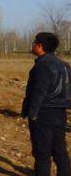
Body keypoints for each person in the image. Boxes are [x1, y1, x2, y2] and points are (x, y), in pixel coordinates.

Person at [22, 32, 71, 176]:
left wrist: (32, 114)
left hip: (43, 114)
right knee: (60, 151)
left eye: (34, 42)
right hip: (60, 113)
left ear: (40, 46)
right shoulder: (65, 65)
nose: (32, 45)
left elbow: (39, 92)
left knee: (42, 154)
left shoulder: (42, 65)